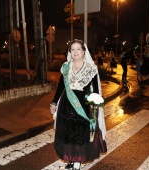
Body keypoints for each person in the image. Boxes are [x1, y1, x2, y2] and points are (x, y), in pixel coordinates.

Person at [50, 39, 107, 170]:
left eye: (78, 49)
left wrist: (95, 106)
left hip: (84, 106)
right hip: (66, 105)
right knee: (68, 132)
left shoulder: (91, 68)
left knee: (80, 134)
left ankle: (78, 161)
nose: (75, 52)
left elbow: (96, 90)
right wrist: (54, 102)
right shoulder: (65, 67)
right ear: (70, 52)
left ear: (83, 51)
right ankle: (70, 158)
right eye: (72, 49)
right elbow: (60, 86)